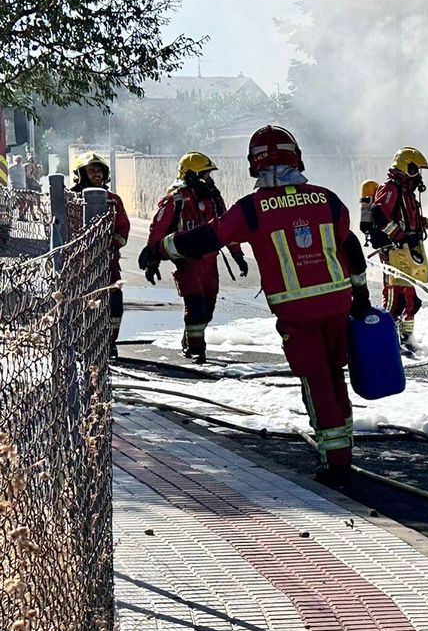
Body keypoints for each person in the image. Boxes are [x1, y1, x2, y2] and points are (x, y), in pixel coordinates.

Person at [161, 125, 371, 485]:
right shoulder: (328, 199)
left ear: (254, 165)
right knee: (335, 376)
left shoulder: (252, 209)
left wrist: (164, 248)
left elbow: (209, 237)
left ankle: (335, 460)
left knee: (316, 380)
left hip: (296, 313)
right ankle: (343, 447)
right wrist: (362, 298)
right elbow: (350, 246)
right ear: (297, 157)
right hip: (338, 304)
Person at [137, 152, 247, 362]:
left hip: (210, 263)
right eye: (204, 175)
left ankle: (190, 338)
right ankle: (196, 351)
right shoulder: (175, 200)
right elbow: (157, 231)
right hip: (187, 263)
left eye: (209, 175)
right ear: (191, 175)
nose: (209, 180)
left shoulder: (214, 199)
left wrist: (237, 255)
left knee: (208, 309)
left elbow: (226, 229)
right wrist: (153, 259)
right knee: (196, 307)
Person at [367, 146, 428, 353]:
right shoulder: (391, 188)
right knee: (396, 298)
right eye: (416, 170)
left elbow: (413, 221)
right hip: (394, 251)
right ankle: (387, 338)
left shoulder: (406, 193)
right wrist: (400, 237)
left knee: (411, 299)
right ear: (408, 168)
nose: (418, 176)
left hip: (406, 250)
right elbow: (379, 214)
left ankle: (407, 338)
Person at [72, 152, 132, 340]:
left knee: (114, 301)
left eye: (100, 171)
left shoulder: (113, 199)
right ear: (81, 174)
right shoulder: (71, 199)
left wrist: (110, 245)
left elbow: (123, 228)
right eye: (92, 171)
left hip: (108, 262)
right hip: (77, 265)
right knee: (80, 303)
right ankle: (81, 339)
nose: (97, 174)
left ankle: (109, 342)